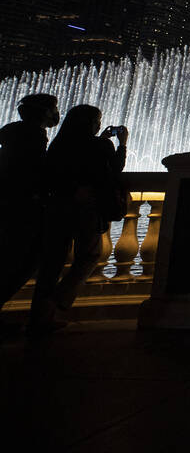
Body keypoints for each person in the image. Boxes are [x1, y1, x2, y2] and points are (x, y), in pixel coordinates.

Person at [27, 105, 127, 334]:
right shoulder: (100, 145)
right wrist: (121, 143)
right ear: (90, 123)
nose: (100, 125)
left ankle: (38, 318)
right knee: (90, 255)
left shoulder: (58, 144)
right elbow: (115, 169)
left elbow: (50, 174)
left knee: (51, 263)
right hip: (86, 209)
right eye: (97, 120)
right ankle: (57, 301)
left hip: (57, 207)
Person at [0, 94, 59, 312]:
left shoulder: (12, 132)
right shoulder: (33, 135)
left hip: (10, 203)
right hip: (23, 207)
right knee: (22, 262)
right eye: (53, 108)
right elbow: (33, 171)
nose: (56, 113)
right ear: (44, 112)